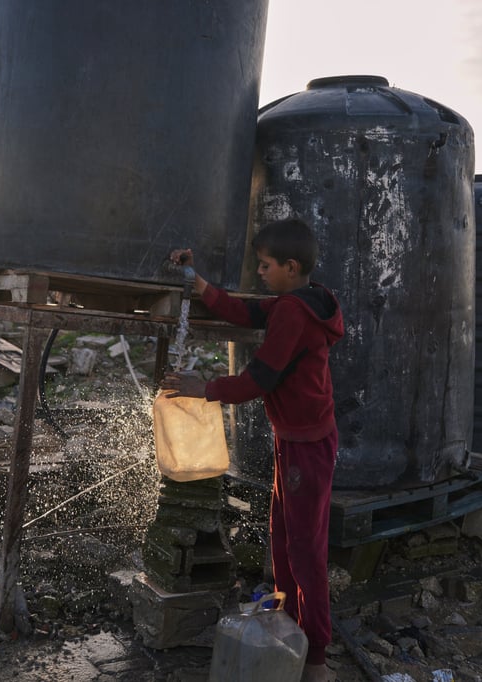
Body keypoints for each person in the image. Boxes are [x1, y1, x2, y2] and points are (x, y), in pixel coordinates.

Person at [162, 218, 344, 682]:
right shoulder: (294, 301)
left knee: (305, 550)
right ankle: (287, 630)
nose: (259, 272)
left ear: (291, 266)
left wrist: (202, 388)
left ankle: (316, 659)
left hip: (307, 446)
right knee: (283, 541)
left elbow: (258, 380)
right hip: (297, 439)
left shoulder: (295, 314)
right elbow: (245, 314)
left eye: (265, 266)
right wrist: (197, 282)